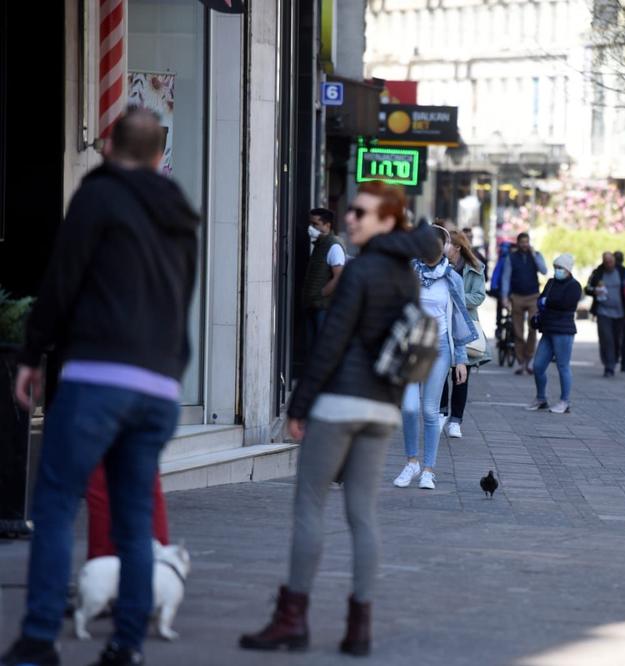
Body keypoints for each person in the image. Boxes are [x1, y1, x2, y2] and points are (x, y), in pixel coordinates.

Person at [2, 107, 200, 666]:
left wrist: (31, 354)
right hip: (158, 385)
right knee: (135, 518)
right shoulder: (181, 215)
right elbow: (180, 300)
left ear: (109, 148)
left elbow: (62, 278)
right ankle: (127, 644)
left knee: (57, 503)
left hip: (97, 377)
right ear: (160, 156)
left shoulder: (97, 197)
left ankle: (39, 637)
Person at [240, 183, 437, 657]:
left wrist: (299, 405)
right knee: (363, 516)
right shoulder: (406, 275)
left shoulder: (360, 270)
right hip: (382, 409)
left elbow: (331, 341)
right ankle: (359, 629)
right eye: (352, 211)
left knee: (310, 508)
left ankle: (292, 620)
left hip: (339, 404)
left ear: (388, 221)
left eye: (362, 213)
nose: (351, 218)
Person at [394, 225, 478, 490]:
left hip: (441, 347)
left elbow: (459, 319)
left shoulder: (451, 278)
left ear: (444, 247)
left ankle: (428, 469)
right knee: (408, 407)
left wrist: (460, 358)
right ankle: (411, 462)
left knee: (430, 411)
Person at [440, 230, 490, 439]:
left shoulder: (475, 268)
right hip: (442, 324)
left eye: (448, 244)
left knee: (461, 375)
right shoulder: (439, 266)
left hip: (464, 324)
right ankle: (441, 412)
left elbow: (479, 296)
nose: (444, 248)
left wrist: (456, 300)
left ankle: (455, 421)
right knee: (440, 372)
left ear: (457, 247)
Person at [527, 254, 582, 414]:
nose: (557, 270)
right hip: (548, 329)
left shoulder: (574, 286)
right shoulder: (551, 283)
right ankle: (541, 398)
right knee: (538, 366)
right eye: (556, 267)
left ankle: (565, 401)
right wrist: (546, 303)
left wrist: (548, 303)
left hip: (563, 331)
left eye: (560, 268)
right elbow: (541, 299)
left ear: (568, 269)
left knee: (563, 366)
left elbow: (566, 304)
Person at [586, 251, 625, 377]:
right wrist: (595, 291)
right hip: (603, 312)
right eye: (606, 262)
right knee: (606, 339)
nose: (609, 264)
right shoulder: (597, 273)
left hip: (621, 313)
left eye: (611, 261)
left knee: (617, 340)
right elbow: (587, 288)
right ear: (603, 262)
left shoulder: (624, 273)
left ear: (614, 261)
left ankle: (613, 359)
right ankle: (609, 366)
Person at [501, 232, 548, 375]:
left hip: (533, 296)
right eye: (522, 242)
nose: (525, 245)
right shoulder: (511, 257)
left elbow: (544, 270)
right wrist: (504, 296)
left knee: (533, 327)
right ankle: (521, 361)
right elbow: (506, 277)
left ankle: (529, 358)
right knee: (518, 331)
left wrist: (534, 255)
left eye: (527, 242)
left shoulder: (535, 255)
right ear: (518, 243)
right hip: (517, 296)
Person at [302, 207, 346, 351]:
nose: (311, 228)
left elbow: (338, 277)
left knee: (321, 349)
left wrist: (321, 294)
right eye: (310, 223)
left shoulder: (333, 247)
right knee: (311, 348)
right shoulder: (320, 245)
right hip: (312, 305)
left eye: (315, 224)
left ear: (327, 225)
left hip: (322, 308)